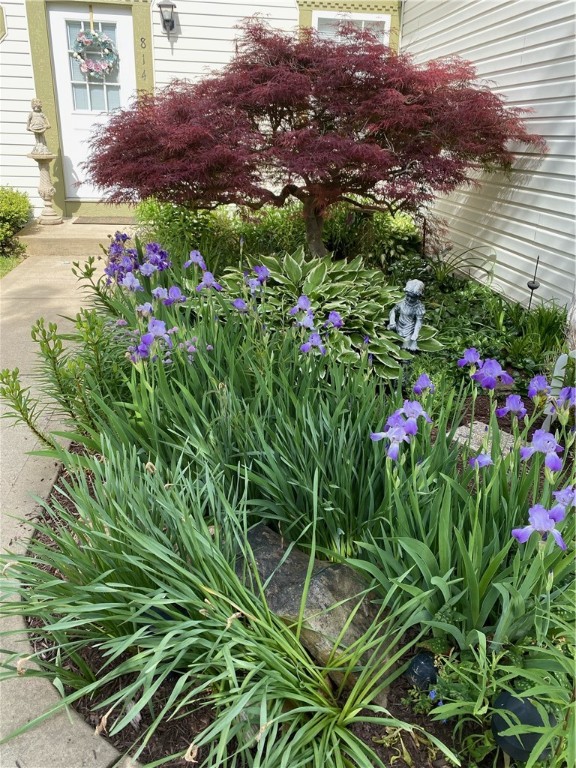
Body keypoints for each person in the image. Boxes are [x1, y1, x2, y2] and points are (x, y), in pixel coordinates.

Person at [388, 279, 425, 351]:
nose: (409, 299)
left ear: (418, 297)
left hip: (409, 329)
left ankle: (405, 359)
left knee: (406, 348)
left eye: (413, 297)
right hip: (398, 326)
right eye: (408, 296)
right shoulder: (402, 302)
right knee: (394, 343)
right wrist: (392, 321)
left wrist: (415, 334)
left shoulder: (419, 307)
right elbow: (393, 310)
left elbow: (419, 321)